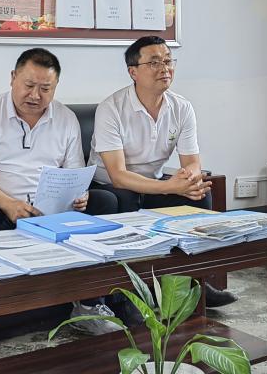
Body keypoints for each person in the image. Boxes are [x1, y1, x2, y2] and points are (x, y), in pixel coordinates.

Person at [0, 47, 119, 334]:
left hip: (52, 211)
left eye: (45, 89)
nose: (35, 95)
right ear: (13, 78)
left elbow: (73, 172)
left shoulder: (66, 118)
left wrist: (79, 196)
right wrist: (7, 203)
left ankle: (89, 305)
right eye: (29, 85)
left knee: (105, 201)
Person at [89, 35, 238, 308]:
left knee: (198, 196)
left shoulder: (181, 107)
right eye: (154, 62)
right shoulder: (111, 108)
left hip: (155, 185)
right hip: (111, 187)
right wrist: (171, 186)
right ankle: (128, 296)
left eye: (168, 61)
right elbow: (118, 175)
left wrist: (189, 179)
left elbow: (192, 161)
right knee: (124, 197)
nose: (165, 69)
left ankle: (195, 283)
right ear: (133, 72)